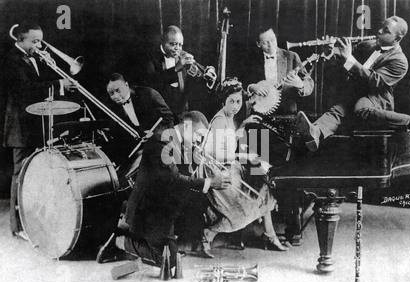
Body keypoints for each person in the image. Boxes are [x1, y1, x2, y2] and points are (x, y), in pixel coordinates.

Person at [96, 111, 231, 267]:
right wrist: (210, 182)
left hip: (165, 208)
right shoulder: (161, 141)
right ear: (186, 126)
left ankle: (144, 238)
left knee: (192, 214)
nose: (199, 140)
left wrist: (196, 161)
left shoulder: (180, 143)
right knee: (168, 261)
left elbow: (184, 175)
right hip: (149, 212)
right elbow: (174, 179)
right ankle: (119, 242)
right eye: (198, 135)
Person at [296, 16, 410, 151]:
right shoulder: (369, 44)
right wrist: (331, 51)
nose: (378, 31)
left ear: (397, 39)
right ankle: (315, 132)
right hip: (355, 92)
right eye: (381, 26)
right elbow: (344, 53)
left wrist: (349, 59)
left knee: (360, 108)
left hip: (375, 98)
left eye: (385, 30)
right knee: (337, 110)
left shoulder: (400, 61)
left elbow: (374, 80)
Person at [1, 22, 77, 240]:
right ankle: (18, 226)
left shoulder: (32, 57)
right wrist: (59, 83)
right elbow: (25, 91)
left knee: (33, 174)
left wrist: (49, 68)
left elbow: (38, 83)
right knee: (20, 175)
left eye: (40, 41)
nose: (39, 45)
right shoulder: (11, 60)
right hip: (20, 127)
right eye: (34, 41)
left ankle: (33, 220)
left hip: (34, 124)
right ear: (20, 40)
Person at [199, 78, 288, 256]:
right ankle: (208, 234)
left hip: (231, 167)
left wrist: (244, 125)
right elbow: (216, 155)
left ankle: (270, 234)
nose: (235, 105)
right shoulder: (219, 120)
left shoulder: (229, 116)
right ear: (223, 101)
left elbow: (229, 140)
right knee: (244, 209)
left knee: (263, 187)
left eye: (238, 101)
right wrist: (243, 155)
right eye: (231, 101)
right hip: (218, 173)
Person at [103, 73, 178, 166]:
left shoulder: (148, 94)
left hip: (163, 144)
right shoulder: (113, 108)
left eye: (118, 90)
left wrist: (154, 133)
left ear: (126, 85)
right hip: (140, 151)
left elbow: (169, 117)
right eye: (111, 93)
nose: (115, 96)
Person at [242, 26, 314, 116]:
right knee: (256, 131)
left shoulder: (291, 57)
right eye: (265, 42)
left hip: (287, 113)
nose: (270, 44)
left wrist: (301, 85)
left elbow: (309, 83)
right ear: (258, 44)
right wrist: (252, 87)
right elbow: (243, 83)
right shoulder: (252, 60)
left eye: (272, 40)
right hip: (259, 115)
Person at [140, 26, 196, 119]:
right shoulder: (149, 56)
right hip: (161, 115)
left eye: (180, 45)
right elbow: (152, 83)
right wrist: (177, 67)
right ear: (163, 41)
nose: (177, 48)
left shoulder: (183, 55)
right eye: (173, 44)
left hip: (182, 114)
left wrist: (207, 74)